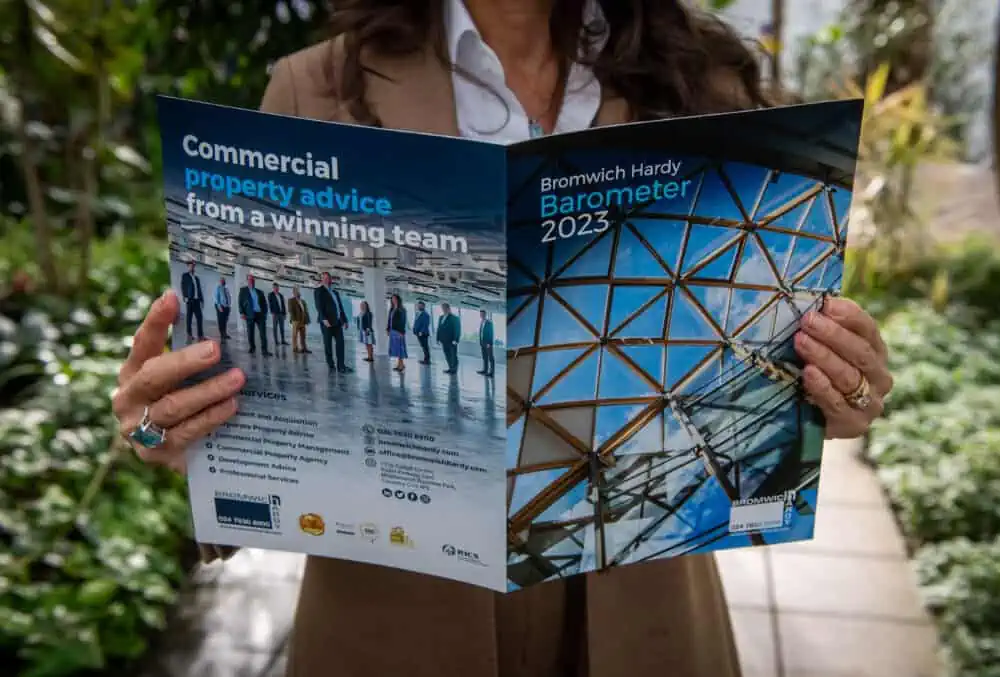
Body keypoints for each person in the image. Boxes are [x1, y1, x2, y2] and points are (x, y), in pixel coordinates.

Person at [112, 2, 896, 675]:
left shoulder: (704, 79)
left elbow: (762, 351)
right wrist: (178, 428)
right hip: (394, 619)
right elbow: (250, 410)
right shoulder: (317, 88)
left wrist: (837, 388)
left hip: (644, 611)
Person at [313, 272, 351, 373]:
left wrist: (345, 320)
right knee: (328, 344)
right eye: (324, 278)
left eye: (327, 278)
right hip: (327, 322)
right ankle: (331, 365)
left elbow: (340, 307)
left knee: (340, 343)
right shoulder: (319, 291)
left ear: (330, 280)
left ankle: (341, 366)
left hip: (338, 322)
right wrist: (323, 319)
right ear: (321, 280)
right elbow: (319, 306)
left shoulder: (335, 292)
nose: (326, 280)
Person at [237, 274, 271, 356]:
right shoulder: (243, 290)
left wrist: (265, 313)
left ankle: (264, 351)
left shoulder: (260, 292)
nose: (251, 281)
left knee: (263, 333)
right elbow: (240, 302)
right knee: (250, 333)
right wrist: (242, 313)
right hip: (249, 314)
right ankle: (252, 348)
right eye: (249, 280)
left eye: (252, 280)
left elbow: (264, 304)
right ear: (247, 281)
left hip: (260, 315)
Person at [179, 260, 204, 341]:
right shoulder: (185, 276)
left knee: (199, 318)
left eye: (193, 266)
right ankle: (189, 335)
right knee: (189, 318)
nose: (192, 267)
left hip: (197, 300)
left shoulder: (197, 278)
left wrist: (202, 300)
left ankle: (200, 335)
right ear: (188, 266)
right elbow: (183, 286)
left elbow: (199, 289)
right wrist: (184, 296)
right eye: (190, 266)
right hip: (190, 300)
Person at [436, 302, 461, 374]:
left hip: (452, 340)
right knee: (447, 355)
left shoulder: (454, 318)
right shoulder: (441, 317)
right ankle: (450, 368)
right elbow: (439, 328)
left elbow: (457, 329)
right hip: (443, 340)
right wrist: (437, 339)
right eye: (442, 308)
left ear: (448, 308)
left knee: (453, 355)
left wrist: (456, 339)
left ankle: (454, 369)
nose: (443, 309)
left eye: (444, 308)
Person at [386, 294, 408, 372]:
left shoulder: (402, 309)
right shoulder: (391, 309)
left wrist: (402, 332)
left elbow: (403, 321)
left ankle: (401, 365)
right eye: (392, 299)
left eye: (395, 298)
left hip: (399, 331)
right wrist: (388, 329)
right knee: (396, 348)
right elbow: (389, 320)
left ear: (398, 299)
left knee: (400, 348)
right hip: (392, 331)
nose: (393, 300)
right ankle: (399, 364)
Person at [288, 286, 312, 354]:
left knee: (303, 335)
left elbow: (306, 311)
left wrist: (307, 320)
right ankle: (295, 348)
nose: (298, 293)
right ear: (293, 292)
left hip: (303, 320)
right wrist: (295, 320)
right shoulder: (291, 300)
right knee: (295, 335)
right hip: (296, 321)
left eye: (298, 291)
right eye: (296, 291)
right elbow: (290, 310)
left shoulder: (303, 301)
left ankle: (304, 348)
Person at [268, 283, 289, 347]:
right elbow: (270, 304)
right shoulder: (270, 295)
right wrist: (272, 312)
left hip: (281, 314)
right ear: (273, 288)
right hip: (275, 314)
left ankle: (283, 340)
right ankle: (276, 341)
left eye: (277, 287)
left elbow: (283, 305)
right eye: (275, 287)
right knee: (275, 328)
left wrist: (285, 314)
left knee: (282, 328)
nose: (276, 288)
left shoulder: (281, 295)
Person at [477, 308, 495, 377]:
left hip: (488, 344)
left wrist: (489, 343)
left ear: (485, 314)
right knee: (485, 357)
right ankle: (485, 370)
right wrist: (480, 342)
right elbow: (481, 333)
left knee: (491, 358)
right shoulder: (481, 322)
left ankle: (491, 373)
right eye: (480, 314)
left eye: (482, 314)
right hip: (482, 343)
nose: (481, 315)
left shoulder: (489, 322)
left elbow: (491, 333)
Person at [213, 277, 231, 342]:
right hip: (220, 306)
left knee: (225, 320)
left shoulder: (226, 289)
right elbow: (216, 298)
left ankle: (225, 333)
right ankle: (222, 335)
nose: (223, 282)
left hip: (226, 306)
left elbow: (228, 297)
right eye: (222, 281)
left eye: (224, 281)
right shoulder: (218, 288)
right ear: (220, 281)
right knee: (221, 321)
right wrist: (219, 306)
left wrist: (229, 306)